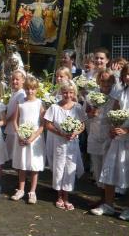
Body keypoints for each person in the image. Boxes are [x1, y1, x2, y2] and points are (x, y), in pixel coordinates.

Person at [91, 64, 129, 219]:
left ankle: (127, 208)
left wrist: (127, 131)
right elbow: (114, 112)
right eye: (126, 74)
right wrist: (114, 127)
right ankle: (108, 205)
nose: (128, 77)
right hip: (118, 138)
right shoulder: (121, 93)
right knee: (110, 169)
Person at [44, 81, 86, 211]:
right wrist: (60, 132)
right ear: (61, 93)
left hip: (72, 144)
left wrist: (76, 132)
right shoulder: (55, 107)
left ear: (74, 93)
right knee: (59, 168)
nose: (68, 95)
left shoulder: (78, 107)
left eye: (71, 92)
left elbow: (82, 125)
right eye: (65, 92)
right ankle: (59, 196)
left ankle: (67, 196)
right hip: (59, 143)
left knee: (70, 169)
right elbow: (48, 124)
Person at [10, 77, 45, 204]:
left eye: (33, 89)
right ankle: (21, 189)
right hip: (21, 137)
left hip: (34, 139)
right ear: (24, 89)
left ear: (36, 89)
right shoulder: (20, 102)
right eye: (28, 89)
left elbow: (42, 124)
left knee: (33, 165)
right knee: (22, 164)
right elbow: (15, 120)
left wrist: (33, 137)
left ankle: (33, 191)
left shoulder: (39, 103)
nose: (30, 91)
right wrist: (19, 135)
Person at [86, 70, 117, 189]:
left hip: (109, 136)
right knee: (97, 167)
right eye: (103, 80)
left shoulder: (115, 98)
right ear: (99, 81)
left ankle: (107, 197)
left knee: (107, 167)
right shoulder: (90, 97)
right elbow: (84, 115)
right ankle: (100, 195)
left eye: (109, 80)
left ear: (113, 81)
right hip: (94, 134)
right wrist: (91, 113)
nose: (106, 83)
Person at [5, 70, 27, 159]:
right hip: (10, 124)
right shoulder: (14, 93)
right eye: (13, 79)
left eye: (17, 79)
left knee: (14, 151)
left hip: (15, 125)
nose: (14, 81)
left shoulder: (22, 94)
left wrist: (7, 120)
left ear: (23, 80)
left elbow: (16, 112)